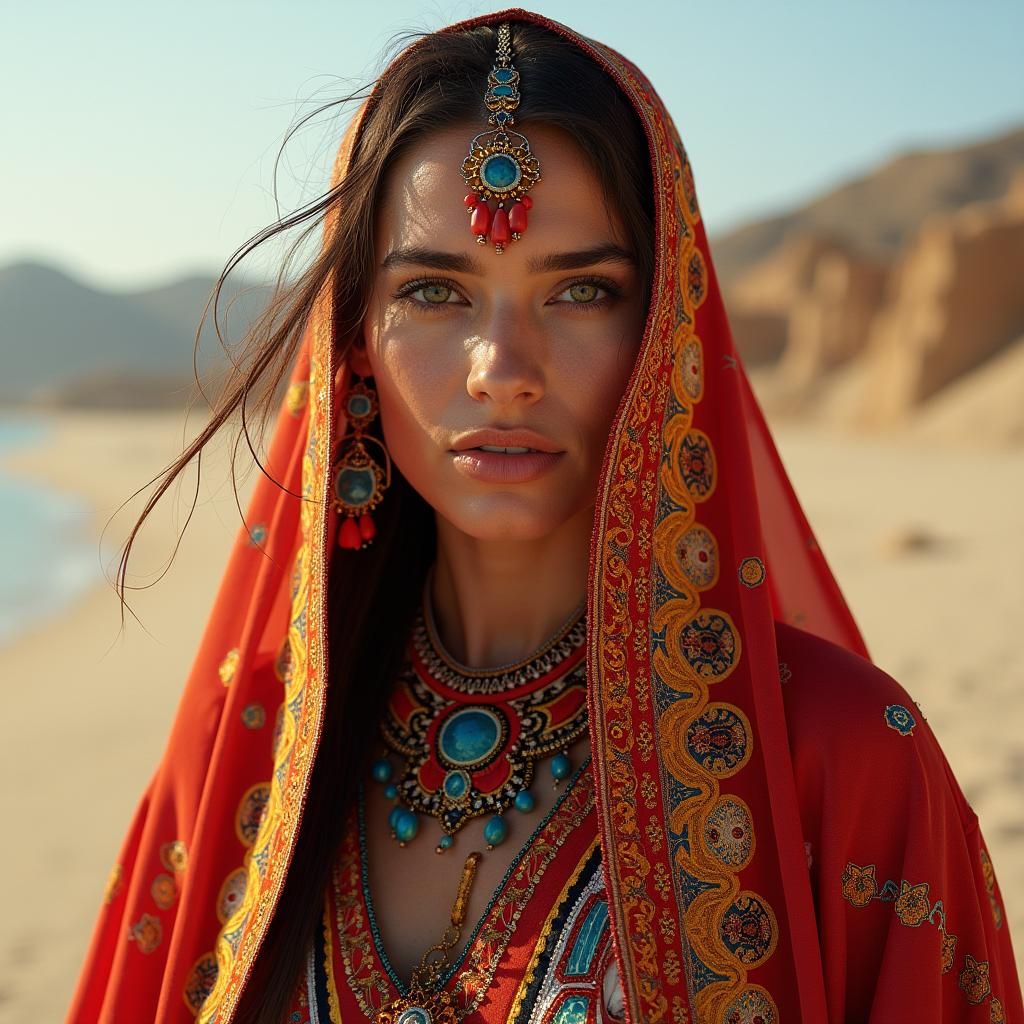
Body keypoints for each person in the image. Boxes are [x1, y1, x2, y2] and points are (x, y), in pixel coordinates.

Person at [66, 9, 1022, 1023]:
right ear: (352, 345)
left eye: (581, 292)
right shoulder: (244, 751)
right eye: (435, 292)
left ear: (664, 333)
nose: (503, 372)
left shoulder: (837, 753)